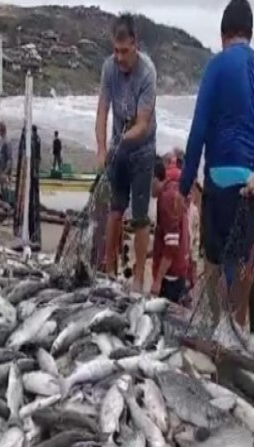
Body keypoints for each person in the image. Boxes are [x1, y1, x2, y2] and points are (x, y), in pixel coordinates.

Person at [180, 0, 254, 331]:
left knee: (214, 266)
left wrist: (184, 186)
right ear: (250, 35)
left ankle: (217, 333)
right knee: (242, 267)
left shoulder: (216, 66)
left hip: (219, 184)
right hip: (251, 184)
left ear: (223, 34)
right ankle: (238, 338)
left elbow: (198, 132)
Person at [96, 14, 158, 291]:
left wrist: (121, 140)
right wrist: (101, 148)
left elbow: (143, 125)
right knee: (115, 209)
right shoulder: (109, 68)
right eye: (115, 50)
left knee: (140, 216)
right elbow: (102, 111)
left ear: (136, 45)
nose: (119, 57)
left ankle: (138, 280)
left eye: (124, 51)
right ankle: (109, 269)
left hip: (142, 149)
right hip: (118, 145)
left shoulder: (147, 73)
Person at [151, 154, 190, 303]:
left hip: (170, 276)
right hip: (179, 267)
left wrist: (158, 280)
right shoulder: (174, 189)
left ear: (154, 179)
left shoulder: (166, 199)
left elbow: (172, 245)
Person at [14, 125, 42, 244]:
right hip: (30, 179)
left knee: (29, 205)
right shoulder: (34, 140)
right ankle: (30, 233)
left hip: (29, 180)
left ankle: (27, 232)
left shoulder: (30, 141)